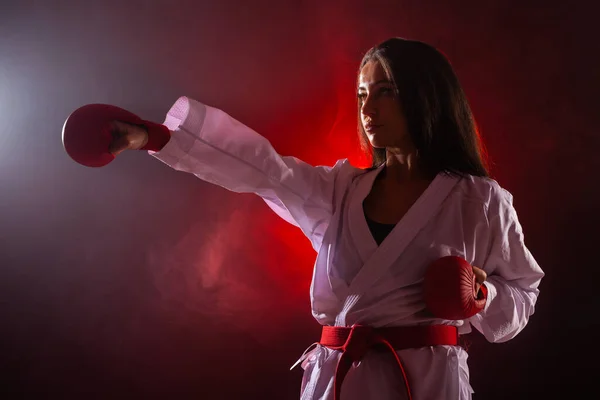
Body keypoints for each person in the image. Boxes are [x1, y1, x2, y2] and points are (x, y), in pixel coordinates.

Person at [108, 38, 544, 399]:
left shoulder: (480, 201)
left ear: (425, 95)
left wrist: (481, 295)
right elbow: (265, 169)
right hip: (338, 381)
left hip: (426, 384)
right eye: (361, 94)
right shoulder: (341, 190)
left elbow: (523, 293)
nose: (367, 108)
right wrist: (156, 137)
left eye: (385, 91)